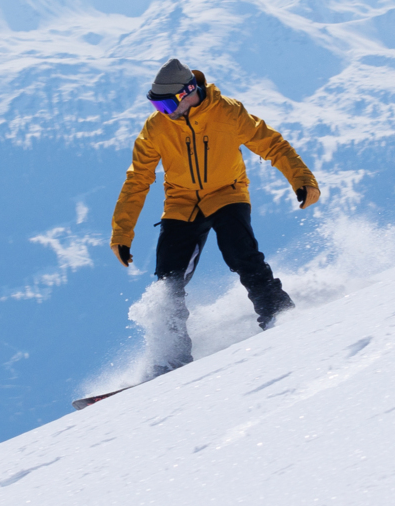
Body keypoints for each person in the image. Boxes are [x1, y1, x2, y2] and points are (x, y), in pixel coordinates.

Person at [110, 58, 320, 375]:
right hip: (181, 203)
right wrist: (122, 233)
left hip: (227, 192)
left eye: (167, 105)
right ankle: (171, 357)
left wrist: (302, 180)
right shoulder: (157, 127)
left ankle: (278, 313)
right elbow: (137, 179)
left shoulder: (228, 112)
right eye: (158, 106)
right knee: (168, 279)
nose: (163, 113)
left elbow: (271, 144)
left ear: (188, 92)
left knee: (240, 253)